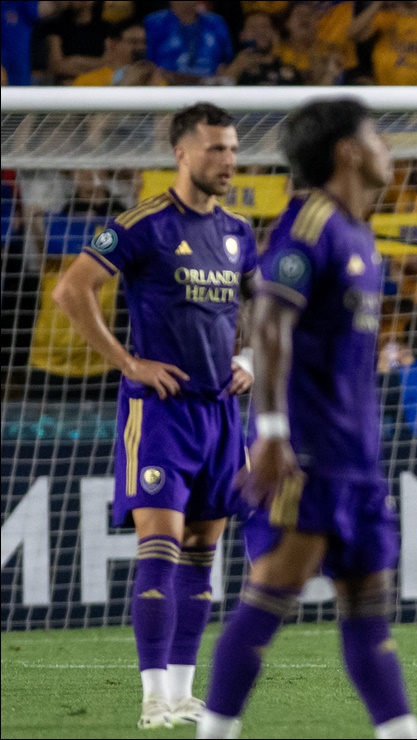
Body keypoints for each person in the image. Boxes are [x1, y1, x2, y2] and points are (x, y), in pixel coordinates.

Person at [197, 98, 417, 740]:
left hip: (357, 459)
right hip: (309, 456)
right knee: (270, 597)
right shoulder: (311, 223)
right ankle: (213, 732)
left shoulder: (358, 231)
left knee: (368, 608)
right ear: (348, 151)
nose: (388, 147)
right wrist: (270, 433)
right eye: (377, 134)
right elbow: (268, 319)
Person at [52, 103, 255, 728]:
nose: (228, 161)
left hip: (221, 414)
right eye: (216, 149)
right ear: (182, 153)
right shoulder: (138, 225)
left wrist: (248, 355)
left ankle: (182, 691)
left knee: (201, 553)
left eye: (232, 149)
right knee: (160, 544)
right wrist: (126, 362)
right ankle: (151, 697)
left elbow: (260, 309)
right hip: (161, 412)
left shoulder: (237, 231)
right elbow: (71, 289)